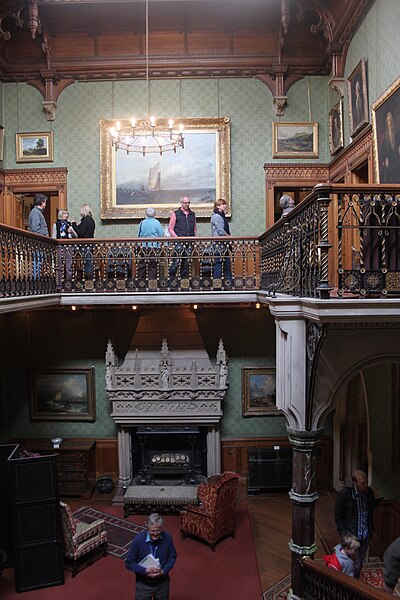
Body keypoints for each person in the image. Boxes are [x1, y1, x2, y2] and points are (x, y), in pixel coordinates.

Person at [335, 469, 379, 578]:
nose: (365, 486)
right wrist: (344, 534)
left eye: (366, 482)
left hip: (365, 533)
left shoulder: (369, 493)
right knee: (355, 564)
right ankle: (352, 584)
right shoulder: (344, 494)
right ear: (355, 483)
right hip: (352, 535)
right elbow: (338, 515)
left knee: (360, 561)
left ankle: (354, 581)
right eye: (362, 483)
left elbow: (370, 511)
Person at [125, 512, 176, 600]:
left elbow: (172, 556)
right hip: (143, 585)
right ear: (147, 529)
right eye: (152, 531)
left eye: (158, 530)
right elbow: (129, 563)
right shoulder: (138, 540)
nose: (155, 534)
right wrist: (145, 571)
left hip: (162, 584)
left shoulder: (167, 538)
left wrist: (164, 571)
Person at [168, 196, 196, 280]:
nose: (187, 204)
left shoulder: (192, 214)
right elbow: (170, 228)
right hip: (179, 242)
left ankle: (184, 283)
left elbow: (194, 228)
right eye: (185, 203)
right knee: (176, 262)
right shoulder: (175, 213)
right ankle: (171, 282)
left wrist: (194, 238)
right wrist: (176, 237)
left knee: (186, 263)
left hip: (190, 242)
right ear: (181, 203)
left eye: (188, 203)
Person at [137, 207, 164, 280]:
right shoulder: (156, 222)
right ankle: (152, 284)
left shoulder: (142, 222)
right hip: (154, 247)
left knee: (142, 265)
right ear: (154, 214)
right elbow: (161, 235)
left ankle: (140, 283)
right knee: (153, 266)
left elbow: (139, 235)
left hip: (143, 247)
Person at [71, 203, 96, 278]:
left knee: (87, 262)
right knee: (89, 261)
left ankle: (88, 280)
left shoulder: (85, 220)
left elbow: (81, 233)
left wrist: (74, 224)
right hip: (90, 243)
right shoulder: (91, 220)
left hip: (85, 244)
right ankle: (90, 280)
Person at [52, 209, 77, 281]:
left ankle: (68, 282)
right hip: (59, 245)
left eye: (67, 214)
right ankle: (59, 281)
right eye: (65, 214)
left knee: (69, 264)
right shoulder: (56, 224)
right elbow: (54, 236)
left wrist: (72, 232)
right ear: (61, 215)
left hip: (69, 245)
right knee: (59, 264)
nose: (67, 215)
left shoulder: (70, 224)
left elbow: (76, 236)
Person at [28, 193, 49, 280]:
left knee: (38, 262)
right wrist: (44, 237)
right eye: (45, 202)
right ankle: (36, 282)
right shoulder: (36, 213)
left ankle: (37, 280)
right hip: (38, 243)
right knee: (37, 262)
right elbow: (35, 229)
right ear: (42, 202)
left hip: (39, 243)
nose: (45, 204)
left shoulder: (37, 212)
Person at [210, 198, 232, 280]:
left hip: (222, 244)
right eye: (223, 204)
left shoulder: (220, 215)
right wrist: (229, 236)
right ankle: (218, 285)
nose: (225, 206)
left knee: (226, 263)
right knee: (219, 263)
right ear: (218, 206)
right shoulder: (217, 216)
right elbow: (220, 231)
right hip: (219, 244)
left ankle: (227, 283)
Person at [380, 111, 400, 183]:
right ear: (386, 123)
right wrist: (385, 161)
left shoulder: (398, 133)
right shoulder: (384, 137)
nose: (390, 122)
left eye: (390, 120)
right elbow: (382, 153)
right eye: (388, 120)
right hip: (390, 167)